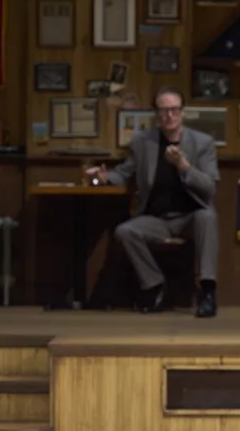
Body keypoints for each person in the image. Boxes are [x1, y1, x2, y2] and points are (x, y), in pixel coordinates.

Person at [85, 86, 220, 318]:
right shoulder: (143, 142)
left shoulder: (202, 143)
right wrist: (102, 178)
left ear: (183, 113)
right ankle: (156, 287)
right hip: (157, 218)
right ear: (156, 115)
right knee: (125, 232)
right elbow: (124, 173)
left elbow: (209, 188)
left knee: (207, 216)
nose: (169, 115)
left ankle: (208, 292)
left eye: (174, 110)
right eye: (164, 110)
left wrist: (184, 166)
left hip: (190, 216)